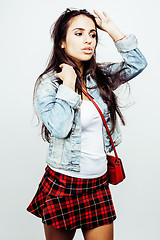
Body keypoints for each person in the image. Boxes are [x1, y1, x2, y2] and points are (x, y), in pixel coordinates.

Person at [27, 8, 147, 240]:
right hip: (63, 186)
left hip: (98, 185)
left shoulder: (100, 77)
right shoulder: (48, 84)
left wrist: (111, 28)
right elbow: (59, 128)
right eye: (79, 33)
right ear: (62, 42)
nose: (88, 41)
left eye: (92, 34)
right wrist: (68, 86)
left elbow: (138, 64)